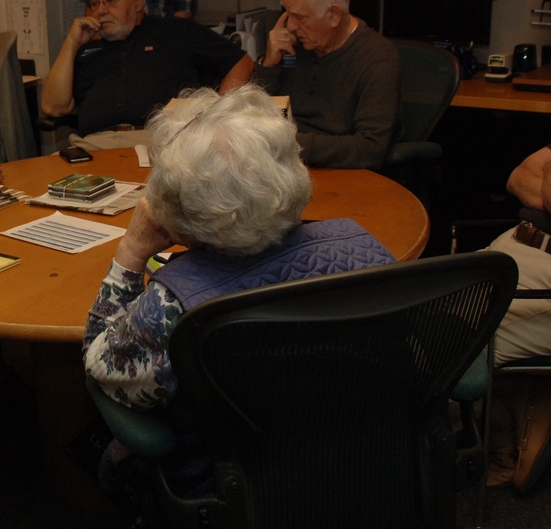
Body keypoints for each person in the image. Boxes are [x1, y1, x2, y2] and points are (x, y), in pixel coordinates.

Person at [82, 85, 395, 496]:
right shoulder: (368, 251)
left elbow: (101, 368)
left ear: (176, 206)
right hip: (370, 468)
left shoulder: (173, 306)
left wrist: (132, 252)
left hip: (231, 488)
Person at [44, 0, 253, 151]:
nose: (100, 10)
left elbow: (241, 63)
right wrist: (71, 43)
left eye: (110, 0)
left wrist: (214, 115)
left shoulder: (174, 31)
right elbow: (53, 108)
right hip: (94, 146)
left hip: (162, 142)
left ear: (137, 1)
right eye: (95, 3)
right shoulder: (88, 49)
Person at [252, 0, 401, 170]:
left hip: (340, 171)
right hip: (283, 163)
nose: (291, 26)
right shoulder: (293, 44)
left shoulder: (378, 58)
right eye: (287, 14)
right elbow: (252, 112)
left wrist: (289, 143)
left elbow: (370, 149)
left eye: (300, 17)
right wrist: (269, 64)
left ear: (334, 15)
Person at [484, 135, 551, 491]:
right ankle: (524, 398)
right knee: (422, 302)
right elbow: (518, 176)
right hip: (517, 246)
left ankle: (502, 438)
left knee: (445, 339)